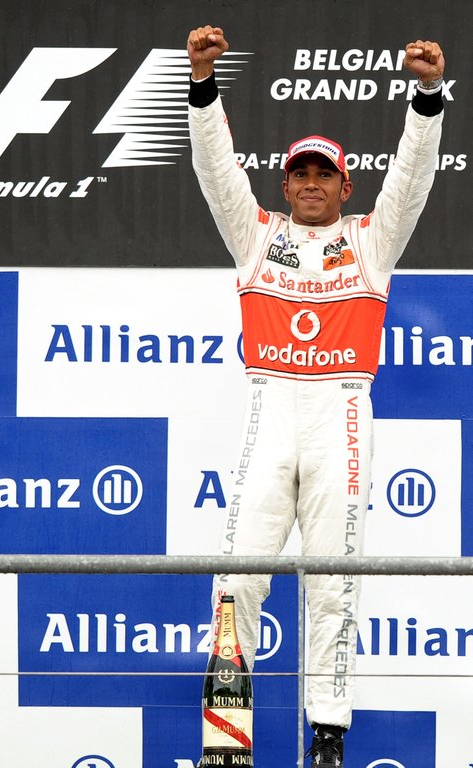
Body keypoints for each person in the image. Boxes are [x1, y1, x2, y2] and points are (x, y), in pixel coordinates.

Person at [187, 25, 444, 768]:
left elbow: (412, 178)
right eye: (298, 173)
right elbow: (215, 170)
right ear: (284, 185)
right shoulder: (255, 238)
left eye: (322, 174)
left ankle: (327, 736)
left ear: (343, 187)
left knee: (334, 582)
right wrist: (202, 84)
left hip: (342, 414)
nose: (309, 183)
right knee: (236, 580)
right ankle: (226, 740)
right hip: (270, 409)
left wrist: (427, 96)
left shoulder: (371, 242)